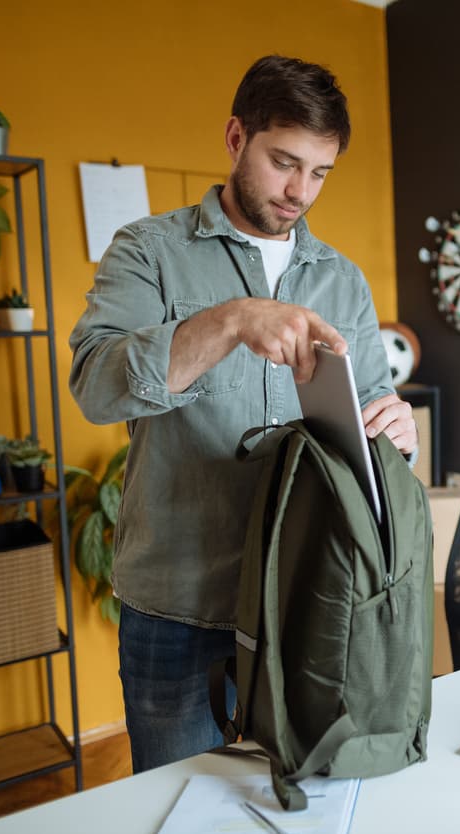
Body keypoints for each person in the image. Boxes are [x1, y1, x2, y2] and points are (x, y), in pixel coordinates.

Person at [68, 54, 416, 773]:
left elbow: (371, 416)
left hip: (304, 598)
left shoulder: (342, 281)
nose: (299, 192)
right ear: (235, 139)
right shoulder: (148, 251)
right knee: (178, 798)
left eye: (319, 172)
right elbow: (97, 387)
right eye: (284, 162)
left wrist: (396, 433)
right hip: (176, 599)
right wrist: (228, 322)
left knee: (299, 795)